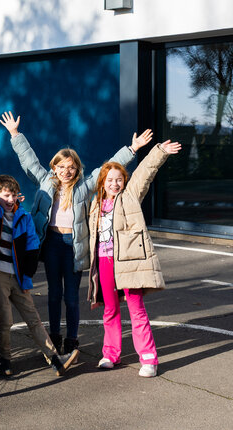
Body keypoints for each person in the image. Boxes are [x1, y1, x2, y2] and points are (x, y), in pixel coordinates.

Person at [0, 111, 152, 355]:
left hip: (74, 244)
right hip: (52, 243)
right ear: (54, 167)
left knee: (71, 296)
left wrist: (132, 149)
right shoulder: (45, 181)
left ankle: (72, 339)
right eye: (61, 167)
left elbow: (106, 169)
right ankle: (54, 336)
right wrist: (15, 134)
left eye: (71, 167)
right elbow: (29, 161)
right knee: (53, 295)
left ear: (77, 169)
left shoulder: (84, 186)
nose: (66, 171)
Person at [0, 145, 78, 377]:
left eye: (14, 195)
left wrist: (26, 277)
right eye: (6, 195)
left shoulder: (23, 217)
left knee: (33, 319)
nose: (10, 199)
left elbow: (32, 247)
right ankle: (4, 359)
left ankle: (55, 359)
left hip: (17, 276)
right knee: (5, 319)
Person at [88, 139, 181, 378]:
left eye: (119, 179)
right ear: (103, 182)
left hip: (129, 262)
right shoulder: (95, 204)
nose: (115, 184)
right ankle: (110, 354)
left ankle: (148, 359)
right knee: (110, 310)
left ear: (124, 181)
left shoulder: (129, 196)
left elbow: (145, 172)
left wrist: (159, 151)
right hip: (104, 262)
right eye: (110, 180)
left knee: (136, 309)